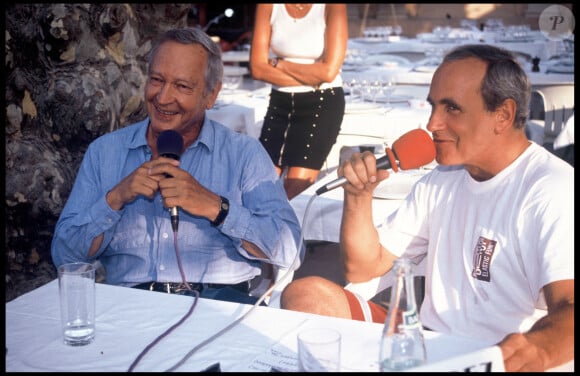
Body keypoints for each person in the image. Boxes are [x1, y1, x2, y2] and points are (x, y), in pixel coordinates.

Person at [280, 44, 574, 371]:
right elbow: (363, 268)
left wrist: (537, 351)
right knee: (305, 296)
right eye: (433, 106)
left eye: (452, 109)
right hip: (431, 344)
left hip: (502, 357)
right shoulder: (442, 179)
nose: (432, 123)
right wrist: (359, 196)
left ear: (502, 115)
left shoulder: (552, 187)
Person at [51, 27, 303, 306]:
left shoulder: (243, 154)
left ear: (211, 95)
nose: (163, 97)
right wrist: (115, 199)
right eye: (157, 80)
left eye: (182, 86)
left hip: (220, 304)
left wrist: (216, 208)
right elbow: (65, 257)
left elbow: (291, 252)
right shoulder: (105, 152)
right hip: (128, 306)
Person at [249, 3, 348, 199]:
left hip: (321, 104)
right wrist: (313, 78)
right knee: (258, 186)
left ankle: (288, 230)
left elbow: (328, 72)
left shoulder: (333, 6)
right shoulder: (268, 6)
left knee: (292, 192)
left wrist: (280, 64)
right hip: (280, 103)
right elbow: (257, 68)